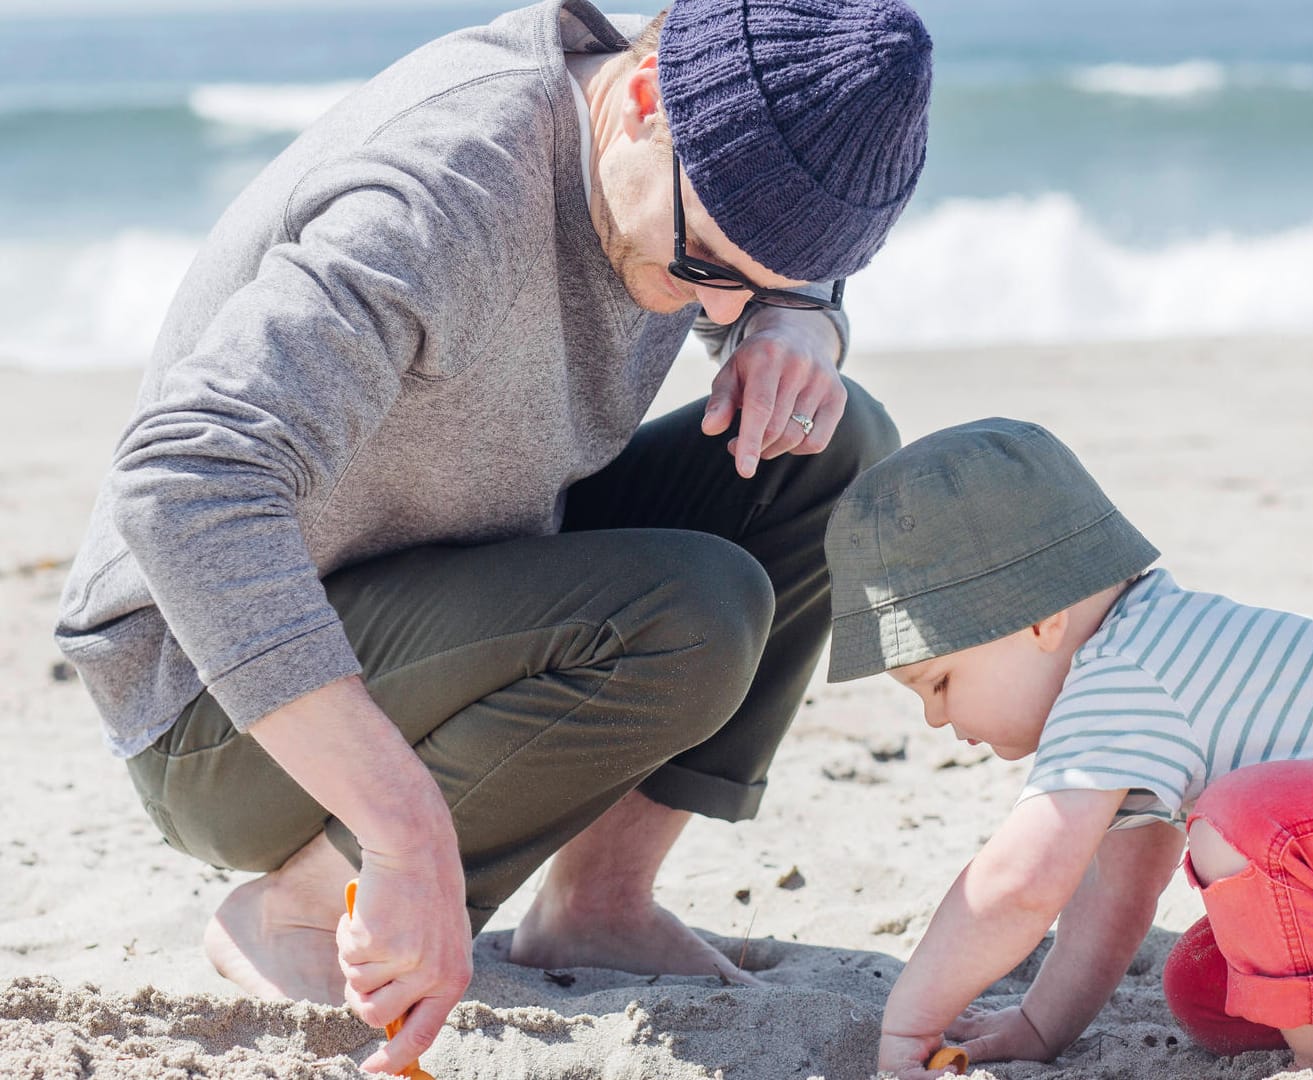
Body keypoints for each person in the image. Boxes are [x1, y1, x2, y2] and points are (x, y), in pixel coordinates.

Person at [54, 0, 929, 1071]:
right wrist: (403, 828)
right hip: (212, 707)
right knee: (697, 612)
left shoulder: (677, 171)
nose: (716, 309)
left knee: (827, 447)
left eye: (762, 276)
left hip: (450, 579)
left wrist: (799, 317)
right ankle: (294, 906)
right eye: (707, 267)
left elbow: (764, 254)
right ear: (646, 95)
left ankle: (599, 904)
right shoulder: (443, 196)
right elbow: (183, 479)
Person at [821, 418, 1313, 1079]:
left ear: (1036, 620)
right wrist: (1038, 1026)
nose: (933, 719)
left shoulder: (1122, 674)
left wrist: (908, 1026)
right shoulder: (1145, 673)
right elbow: (1114, 898)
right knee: (1210, 987)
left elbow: (1021, 885)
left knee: (1241, 821)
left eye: (938, 681)